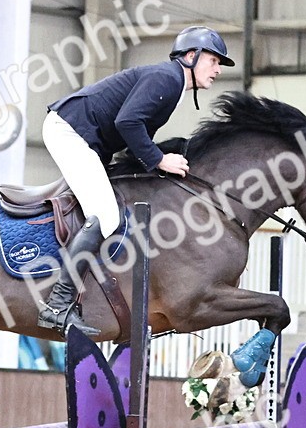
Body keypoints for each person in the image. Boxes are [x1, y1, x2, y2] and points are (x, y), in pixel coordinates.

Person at [37, 25, 235, 337]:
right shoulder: (167, 79)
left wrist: (156, 161)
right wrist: (159, 159)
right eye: (214, 61)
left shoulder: (172, 84)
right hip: (70, 131)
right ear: (192, 55)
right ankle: (58, 305)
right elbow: (127, 122)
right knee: (105, 216)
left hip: (87, 137)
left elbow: (136, 129)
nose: (218, 70)